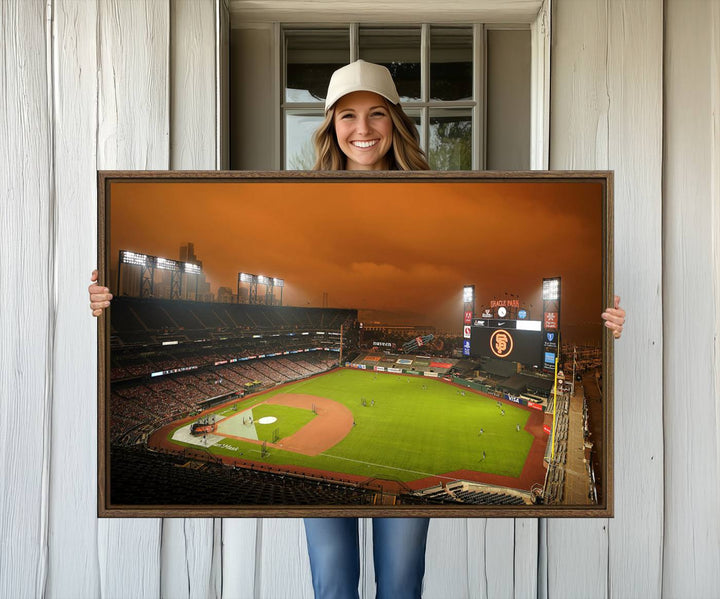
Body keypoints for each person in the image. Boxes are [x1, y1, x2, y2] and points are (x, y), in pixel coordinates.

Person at [88, 59, 627, 599]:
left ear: (395, 120)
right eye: (347, 116)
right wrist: (105, 301)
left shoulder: (437, 194)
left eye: (376, 114)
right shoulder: (299, 197)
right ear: (330, 125)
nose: (362, 129)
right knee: (333, 584)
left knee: (400, 582)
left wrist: (606, 323)